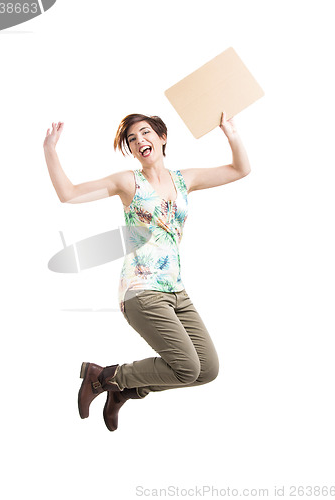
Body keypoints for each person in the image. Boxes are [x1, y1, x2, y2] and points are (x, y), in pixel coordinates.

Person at [43, 111, 251, 431]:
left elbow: (240, 169)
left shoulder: (185, 179)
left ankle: (124, 388)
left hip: (176, 290)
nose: (140, 140)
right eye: (132, 138)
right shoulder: (129, 182)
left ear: (162, 138)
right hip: (141, 289)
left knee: (207, 369)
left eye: (145, 133)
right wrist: (50, 149)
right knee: (186, 367)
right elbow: (68, 193)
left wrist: (231, 133)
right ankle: (104, 377)